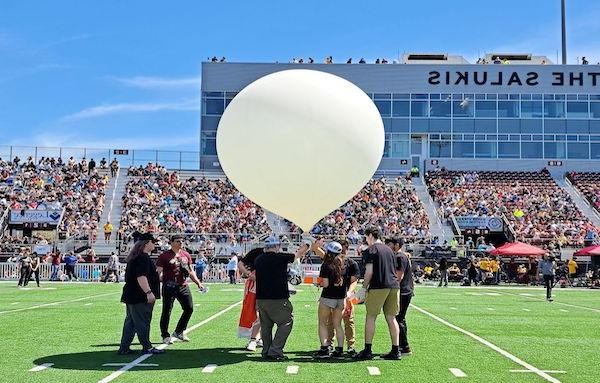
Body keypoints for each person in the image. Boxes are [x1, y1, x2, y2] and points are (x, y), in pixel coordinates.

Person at [254, 235, 310, 361]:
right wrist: (307, 245)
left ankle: (266, 350)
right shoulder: (280, 257)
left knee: (266, 326)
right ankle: (275, 350)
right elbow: (298, 254)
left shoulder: (258, 259)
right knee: (286, 322)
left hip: (261, 298)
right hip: (277, 297)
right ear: (277, 246)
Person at [354, 226, 401, 360]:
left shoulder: (371, 250)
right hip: (394, 285)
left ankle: (368, 349)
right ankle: (395, 350)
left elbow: (369, 271)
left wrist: (363, 288)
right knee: (391, 318)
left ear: (370, 235)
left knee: (371, 317)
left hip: (379, 285)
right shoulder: (389, 249)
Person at [118, 232, 163, 355]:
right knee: (142, 322)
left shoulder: (136, 256)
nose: (154, 244)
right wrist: (149, 292)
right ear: (147, 243)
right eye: (153, 242)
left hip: (131, 295)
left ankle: (124, 347)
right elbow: (141, 276)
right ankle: (147, 347)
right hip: (139, 296)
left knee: (131, 323)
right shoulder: (143, 257)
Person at [313, 241, 358, 359]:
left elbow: (326, 284)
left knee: (323, 323)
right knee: (338, 325)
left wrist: (318, 283)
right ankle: (340, 349)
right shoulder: (345, 264)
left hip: (328, 297)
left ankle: (324, 348)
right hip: (341, 298)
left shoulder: (327, 265)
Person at [157, 235, 205, 344]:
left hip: (183, 285)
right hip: (169, 286)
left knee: (189, 308)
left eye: (182, 241)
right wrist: (161, 282)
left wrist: (198, 283)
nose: (180, 243)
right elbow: (158, 272)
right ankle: (165, 335)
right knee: (167, 311)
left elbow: (190, 271)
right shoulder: (164, 256)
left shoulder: (186, 255)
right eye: (178, 241)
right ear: (172, 243)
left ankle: (179, 331)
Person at [388, 237, 414, 356]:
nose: (388, 246)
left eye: (390, 244)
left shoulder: (399, 257)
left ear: (397, 245)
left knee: (399, 318)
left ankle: (404, 347)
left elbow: (399, 276)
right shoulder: (402, 256)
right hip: (405, 290)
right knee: (399, 318)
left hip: (403, 291)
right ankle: (403, 346)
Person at [237, 247, 264, 351]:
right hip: (255, 284)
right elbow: (240, 264)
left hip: (268, 283)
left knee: (264, 312)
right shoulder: (257, 251)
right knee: (256, 311)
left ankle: (260, 338)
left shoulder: (277, 254)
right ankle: (253, 338)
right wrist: (248, 274)